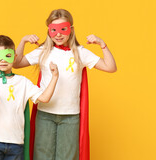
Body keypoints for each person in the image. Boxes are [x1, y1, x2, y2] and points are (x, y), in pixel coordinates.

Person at [13, 9, 117, 160]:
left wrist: (102, 44)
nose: (59, 34)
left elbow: (110, 67)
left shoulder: (80, 53)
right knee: (42, 156)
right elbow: (16, 64)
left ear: (71, 30)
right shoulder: (43, 51)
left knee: (67, 157)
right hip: (45, 114)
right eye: (54, 30)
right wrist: (23, 41)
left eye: (63, 29)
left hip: (70, 116)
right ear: (49, 31)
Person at [0, 35, 59, 160]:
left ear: (15, 57)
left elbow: (44, 98)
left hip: (16, 142)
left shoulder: (23, 82)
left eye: (8, 55)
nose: (3, 60)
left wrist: (54, 77)